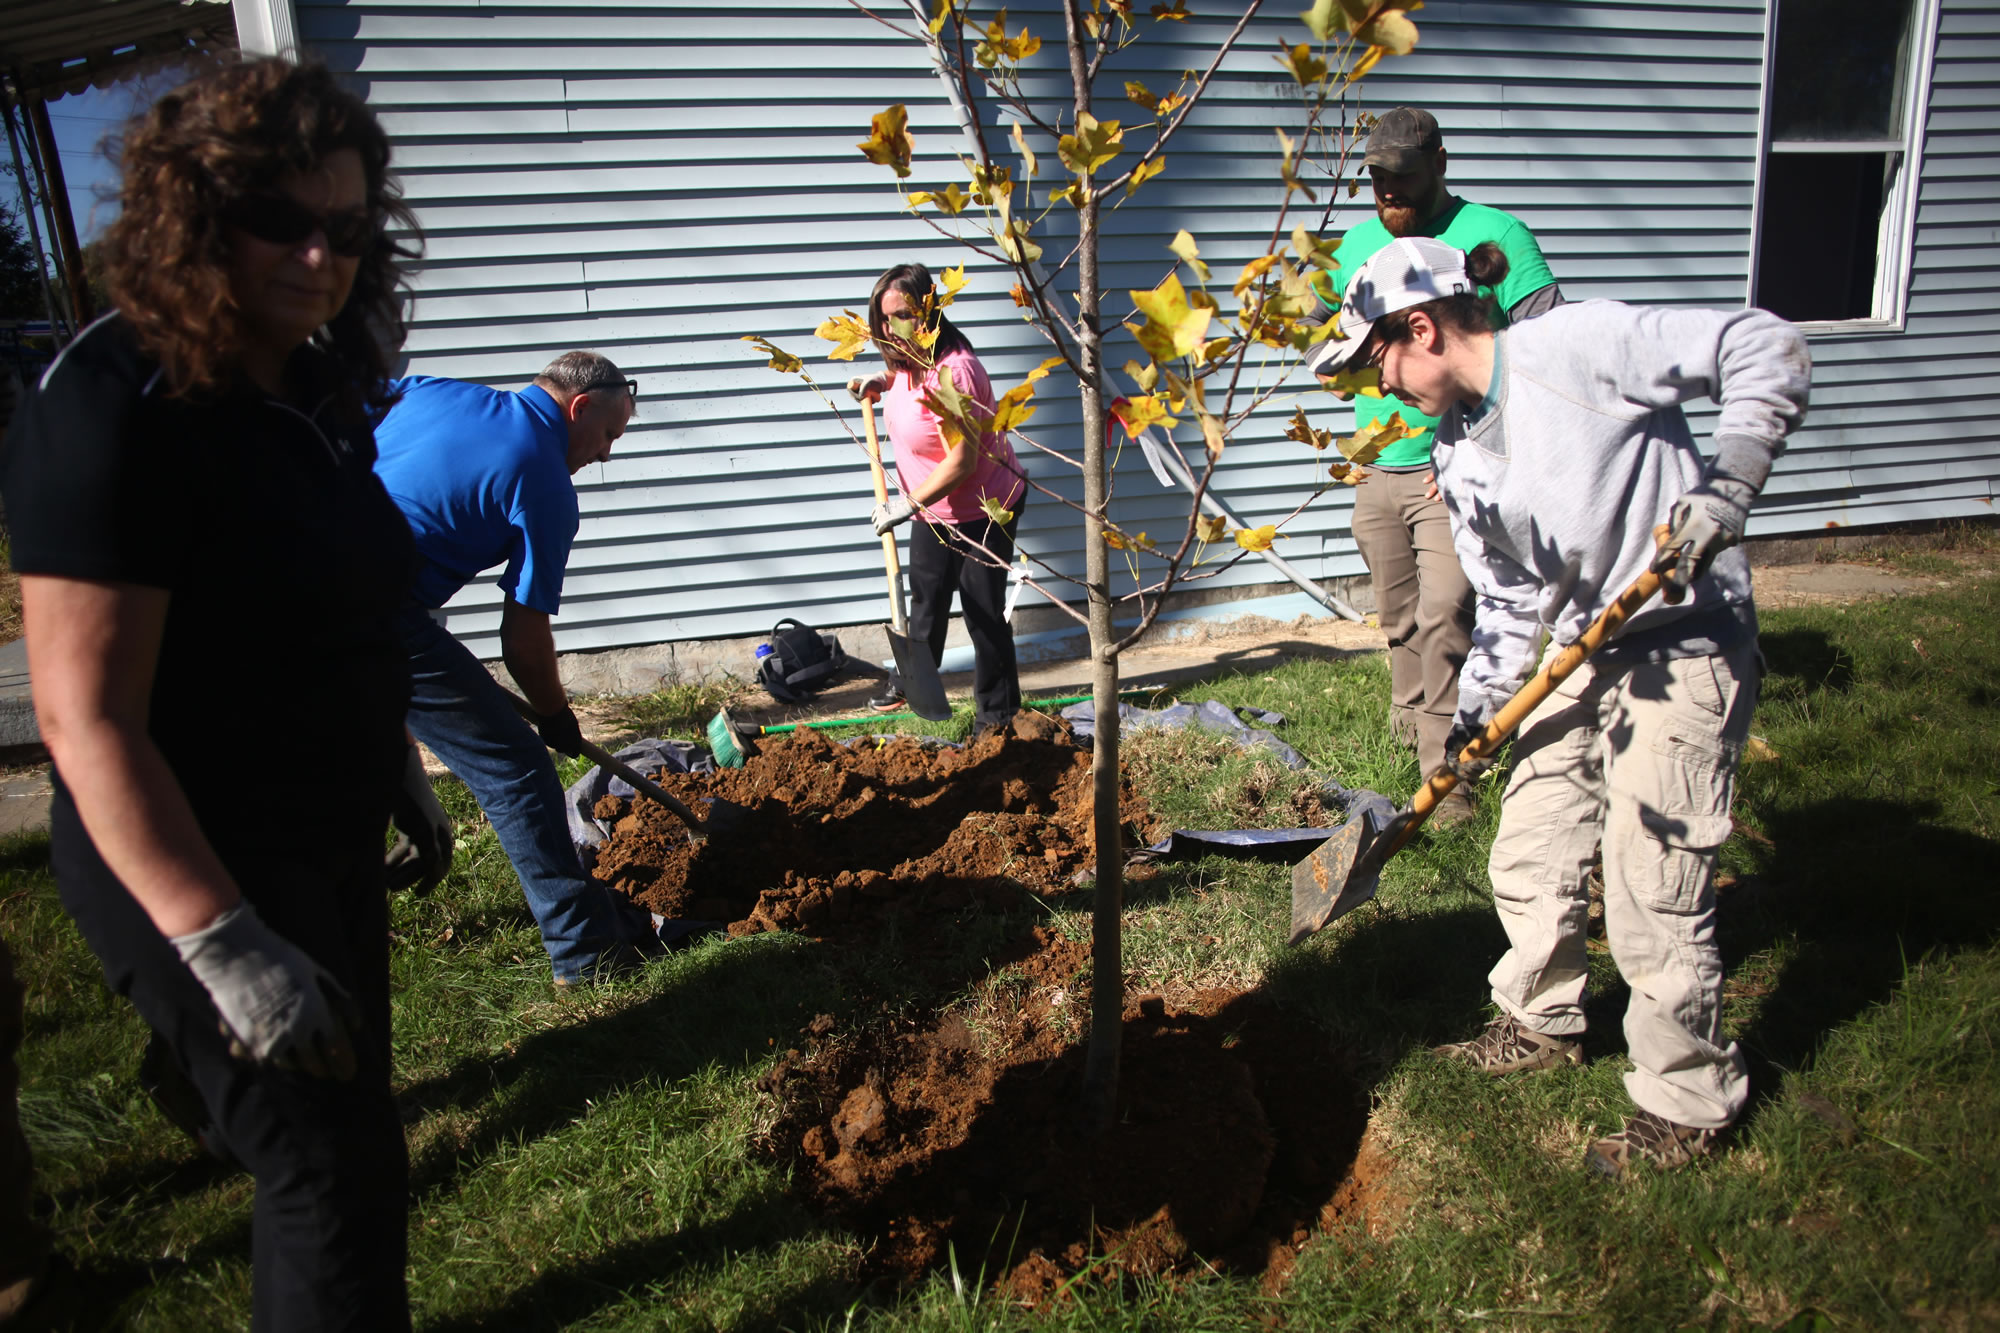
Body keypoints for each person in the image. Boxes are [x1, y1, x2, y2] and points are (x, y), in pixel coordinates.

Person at [0, 58, 426, 1326]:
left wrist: (389, 762)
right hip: (198, 853)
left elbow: (326, 603)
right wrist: (218, 941)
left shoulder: (309, 382)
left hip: (323, 835)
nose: (319, 257)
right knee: (325, 1177)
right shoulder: (114, 406)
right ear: (193, 219)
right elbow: (88, 720)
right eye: (280, 224)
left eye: (346, 230)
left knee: (360, 1144)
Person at [1312, 235, 1809, 1173]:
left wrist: (1727, 485)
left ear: (1422, 326)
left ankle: (1688, 1101)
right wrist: (1476, 721)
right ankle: (1542, 1019)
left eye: (1378, 354)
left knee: (1648, 877)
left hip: (1683, 627)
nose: (1378, 380)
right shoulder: (1457, 457)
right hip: (1589, 642)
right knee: (1531, 839)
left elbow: (1763, 345)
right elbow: (1505, 605)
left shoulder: (1579, 348)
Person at [1305, 107, 1564, 824]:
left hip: (1455, 470)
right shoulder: (1357, 242)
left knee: (1448, 612)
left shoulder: (1496, 236)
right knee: (1398, 616)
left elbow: (1542, 355)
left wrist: (1472, 447)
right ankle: (1407, 723)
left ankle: (1445, 783)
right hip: (1379, 469)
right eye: (1378, 182)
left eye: (1404, 181)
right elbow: (1334, 348)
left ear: (1441, 164)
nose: (1390, 197)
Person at [370, 353, 649, 985]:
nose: (605, 453)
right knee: (515, 766)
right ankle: (586, 953)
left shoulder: (429, 392)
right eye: (608, 434)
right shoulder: (545, 481)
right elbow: (523, 641)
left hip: (280, 578)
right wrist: (555, 717)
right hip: (369, 607)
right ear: (578, 407)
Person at [848, 263, 1025, 730]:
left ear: (929, 312)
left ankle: (999, 719)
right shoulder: (908, 359)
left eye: (902, 315)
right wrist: (880, 382)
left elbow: (962, 463)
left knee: (982, 612)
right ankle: (913, 683)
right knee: (925, 601)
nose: (891, 329)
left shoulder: (955, 372)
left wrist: (906, 505)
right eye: (883, 320)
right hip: (933, 511)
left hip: (983, 509)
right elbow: (910, 388)